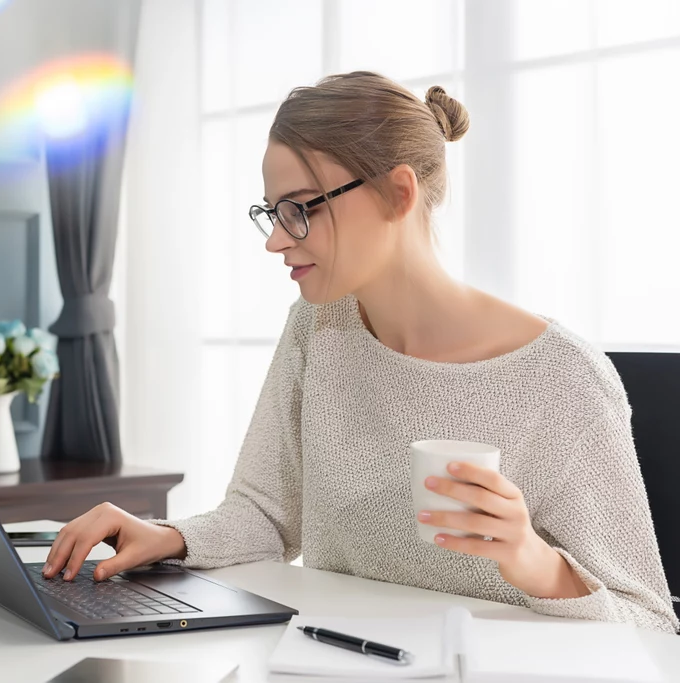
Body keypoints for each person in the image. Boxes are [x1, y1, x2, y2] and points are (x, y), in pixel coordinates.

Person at [42, 71, 679, 634]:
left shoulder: (563, 380)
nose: (276, 241)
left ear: (398, 193)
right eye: (273, 211)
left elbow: (648, 621)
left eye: (301, 210)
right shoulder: (318, 327)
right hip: (338, 661)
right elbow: (268, 514)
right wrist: (171, 537)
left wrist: (531, 558)